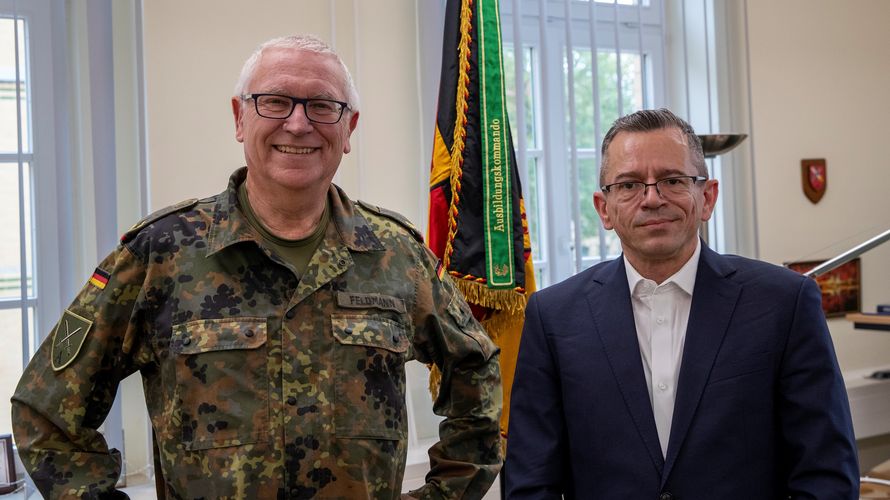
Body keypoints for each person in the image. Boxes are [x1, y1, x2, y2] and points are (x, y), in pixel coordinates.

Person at [12, 34, 502, 499]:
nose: (297, 123)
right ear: (239, 118)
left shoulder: (398, 255)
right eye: (274, 101)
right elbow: (45, 411)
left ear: (349, 128)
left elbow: (475, 370)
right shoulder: (160, 254)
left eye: (322, 105)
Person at [504, 108, 859, 498]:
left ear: (707, 198)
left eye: (673, 180)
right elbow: (530, 481)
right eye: (628, 184)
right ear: (603, 209)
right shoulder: (553, 317)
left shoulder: (784, 305)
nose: (652, 198)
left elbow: (826, 474)